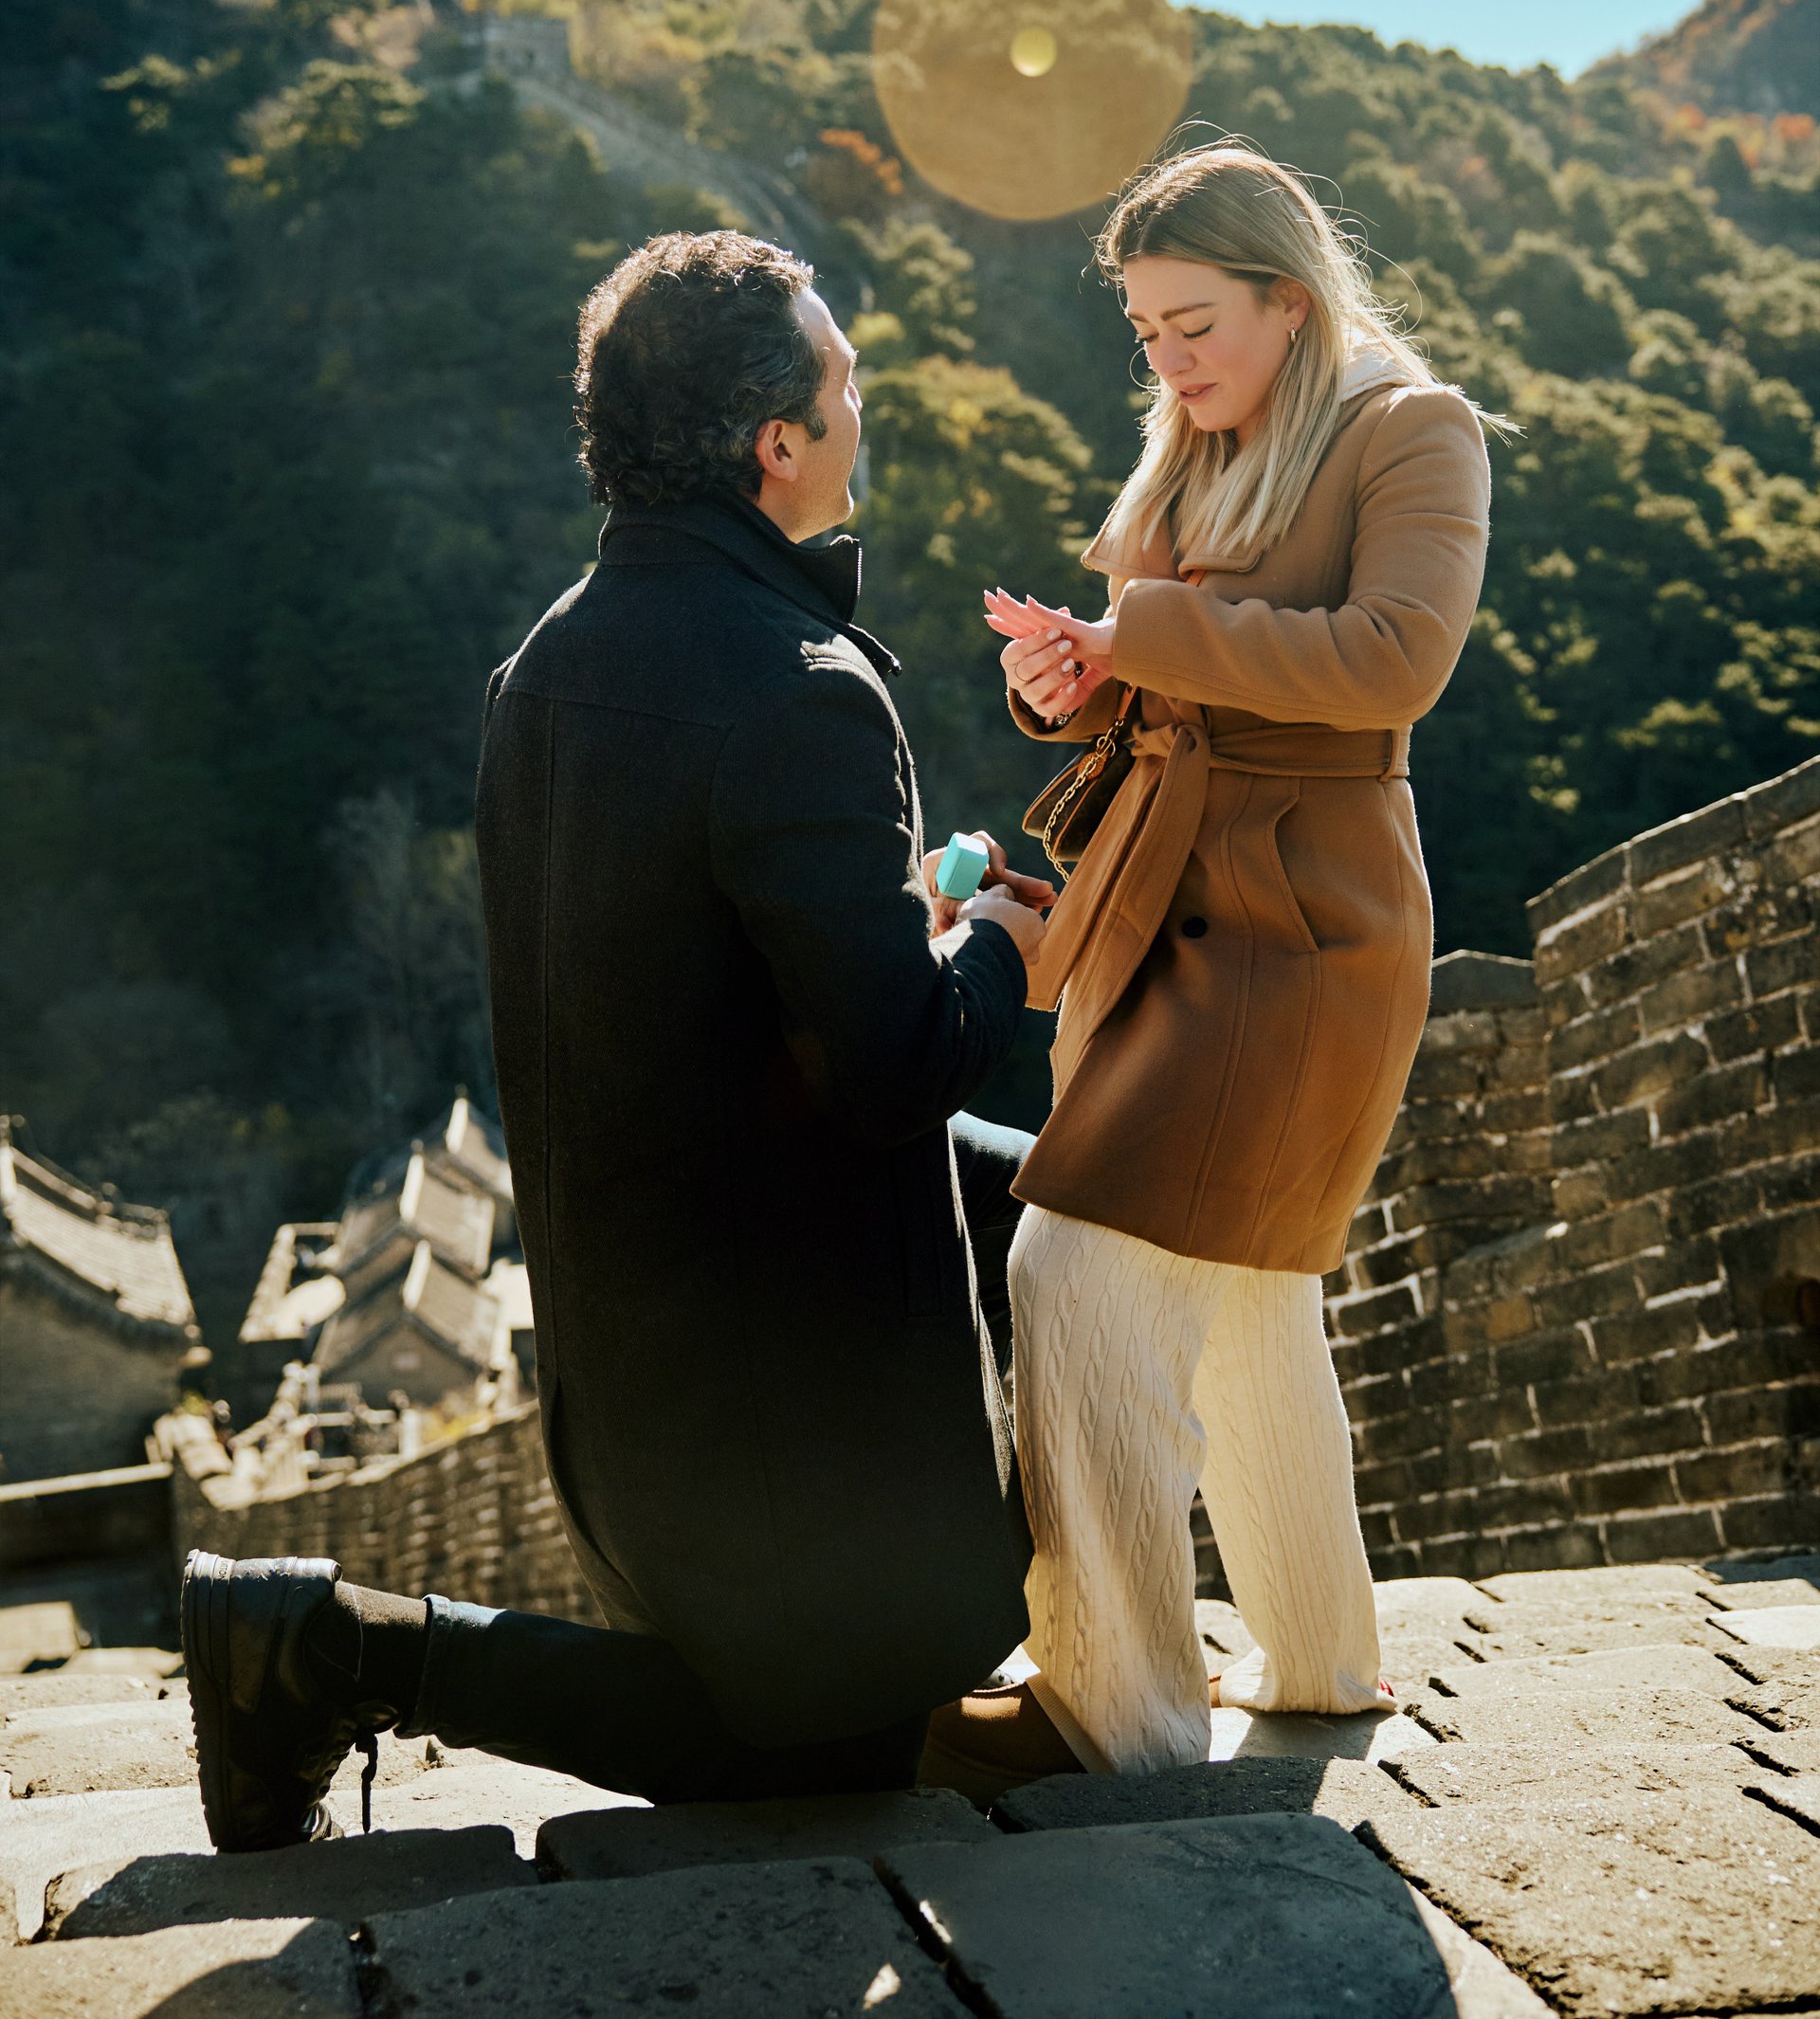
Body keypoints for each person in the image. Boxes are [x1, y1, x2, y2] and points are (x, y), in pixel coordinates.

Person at [183, 228, 1051, 1849]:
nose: (864, 402)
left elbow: (688, 986)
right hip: (787, 1393)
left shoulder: (548, 664)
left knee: (1067, 1192)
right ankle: (324, 1646)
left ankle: (1025, 1653)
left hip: (631, 1363)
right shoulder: (800, 686)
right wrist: (1004, 951)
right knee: (826, 1765)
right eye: (845, 379)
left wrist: (912, 932)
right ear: (775, 442)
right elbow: (892, 1068)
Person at [921, 143, 1492, 1798]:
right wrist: (1070, 678)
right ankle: (1316, 1663)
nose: (1167, 363)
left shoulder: (1413, 429)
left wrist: (1141, 639)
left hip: (1299, 921)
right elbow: (1149, 679)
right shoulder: (1196, 440)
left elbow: (1399, 659)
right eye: (1147, 333)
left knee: (1077, 1263)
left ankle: (1115, 1704)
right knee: (1243, 1290)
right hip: (1161, 889)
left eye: (1195, 325)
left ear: (1289, 301)